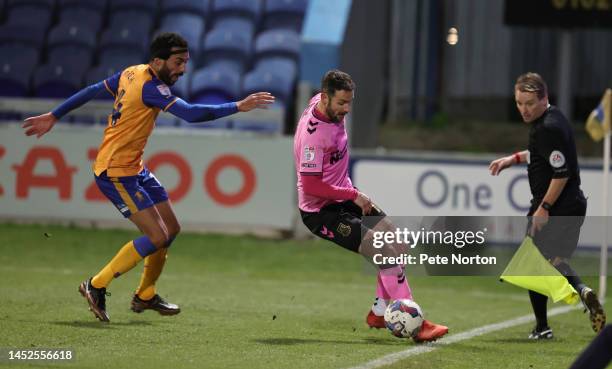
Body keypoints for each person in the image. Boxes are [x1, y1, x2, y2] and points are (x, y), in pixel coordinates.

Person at [22, 33, 275, 322]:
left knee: (171, 228)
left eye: (186, 62)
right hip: (116, 172)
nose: (183, 69)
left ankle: (145, 295)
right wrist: (237, 106)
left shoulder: (132, 72)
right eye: (178, 62)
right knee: (156, 236)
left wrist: (55, 115)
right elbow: (191, 115)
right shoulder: (151, 87)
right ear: (157, 61)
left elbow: (93, 89)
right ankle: (95, 285)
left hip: (134, 167)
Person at [293, 69, 448, 342]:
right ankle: (416, 324)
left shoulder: (321, 101)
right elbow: (311, 185)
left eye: (350, 102)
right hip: (322, 212)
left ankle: (378, 311)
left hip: (343, 196)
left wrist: (350, 194)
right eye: (341, 103)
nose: (346, 109)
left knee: (396, 244)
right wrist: (353, 195)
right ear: (326, 99)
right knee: (385, 252)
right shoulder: (313, 137)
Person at [489, 72, 606, 339]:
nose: (524, 109)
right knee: (552, 262)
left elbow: (561, 172)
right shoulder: (555, 118)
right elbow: (546, 155)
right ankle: (583, 292)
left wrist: (544, 208)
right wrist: (514, 158)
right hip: (574, 204)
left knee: (532, 263)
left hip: (555, 206)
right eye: (519, 103)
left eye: (529, 103)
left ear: (544, 98)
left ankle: (544, 326)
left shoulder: (545, 128)